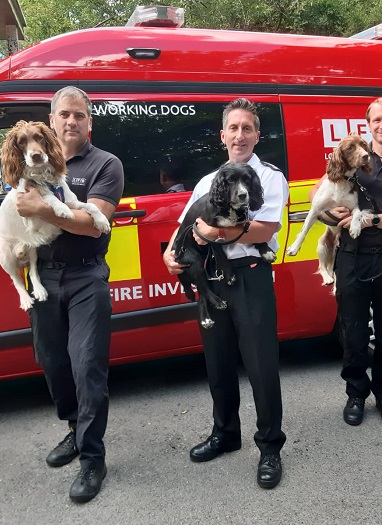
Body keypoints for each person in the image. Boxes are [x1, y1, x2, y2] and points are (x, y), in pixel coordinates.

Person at [163, 98, 289, 489]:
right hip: (213, 279)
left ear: (256, 134)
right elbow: (187, 223)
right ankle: (226, 434)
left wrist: (216, 233)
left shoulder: (269, 177)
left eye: (246, 128)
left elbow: (264, 231)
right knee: (217, 364)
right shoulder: (207, 182)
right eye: (232, 128)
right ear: (222, 136)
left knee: (261, 367)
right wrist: (169, 252)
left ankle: (269, 448)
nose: (239, 135)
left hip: (249, 275)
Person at [15, 86, 124, 503]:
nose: (71, 122)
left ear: (89, 121)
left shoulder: (104, 164)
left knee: (87, 366)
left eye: (79, 115)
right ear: (52, 120)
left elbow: (92, 222)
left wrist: (41, 209)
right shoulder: (36, 161)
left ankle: (93, 458)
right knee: (52, 362)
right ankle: (75, 430)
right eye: (64, 115)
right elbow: (14, 208)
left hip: (85, 277)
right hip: (42, 277)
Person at [310, 97, 382, 427]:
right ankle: (356, 395)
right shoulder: (356, 156)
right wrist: (326, 215)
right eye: (376, 120)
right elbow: (317, 196)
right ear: (368, 125)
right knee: (353, 332)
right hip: (350, 257)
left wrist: (373, 220)